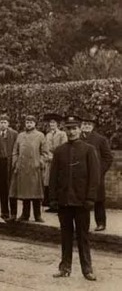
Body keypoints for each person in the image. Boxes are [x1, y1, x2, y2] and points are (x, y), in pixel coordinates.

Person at [49, 115, 100, 281]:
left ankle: (87, 270)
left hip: (82, 203)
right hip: (64, 202)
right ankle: (65, 267)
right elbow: (53, 177)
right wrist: (53, 199)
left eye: (74, 128)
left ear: (79, 130)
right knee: (65, 236)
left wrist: (90, 199)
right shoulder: (59, 151)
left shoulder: (89, 150)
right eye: (68, 129)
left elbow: (94, 177)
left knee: (83, 237)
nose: (71, 132)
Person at [9, 115, 48, 222]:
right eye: (27, 122)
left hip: (34, 168)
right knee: (24, 193)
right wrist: (15, 163)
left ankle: (37, 215)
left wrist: (39, 162)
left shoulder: (40, 136)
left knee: (35, 193)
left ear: (35, 124)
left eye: (31, 122)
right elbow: (15, 151)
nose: (29, 124)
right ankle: (25, 214)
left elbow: (45, 153)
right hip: (22, 168)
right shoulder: (20, 135)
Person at [80, 113, 113, 232]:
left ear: (93, 126)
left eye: (89, 124)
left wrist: (99, 171)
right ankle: (83, 224)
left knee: (98, 199)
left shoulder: (100, 139)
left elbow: (108, 157)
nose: (86, 126)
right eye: (84, 124)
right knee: (82, 200)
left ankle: (101, 223)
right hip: (81, 176)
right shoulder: (77, 138)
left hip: (96, 175)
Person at [0, 114, 18, 220]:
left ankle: (14, 213)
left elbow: (17, 148)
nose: (3, 124)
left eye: (5, 122)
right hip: (0, 163)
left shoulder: (14, 134)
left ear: (8, 124)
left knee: (12, 188)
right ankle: (4, 212)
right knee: (2, 189)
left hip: (10, 163)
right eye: (1, 122)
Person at [42, 113, 67, 211]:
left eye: (54, 123)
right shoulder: (47, 135)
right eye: (50, 123)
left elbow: (63, 147)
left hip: (58, 160)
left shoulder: (62, 134)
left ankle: (59, 205)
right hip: (49, 161)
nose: (52, 125)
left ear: (58, 124)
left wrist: (55, 156)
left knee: (58, 181)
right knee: (49, 182)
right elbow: (45, 147)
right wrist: (46, 155)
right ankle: (51, 204)